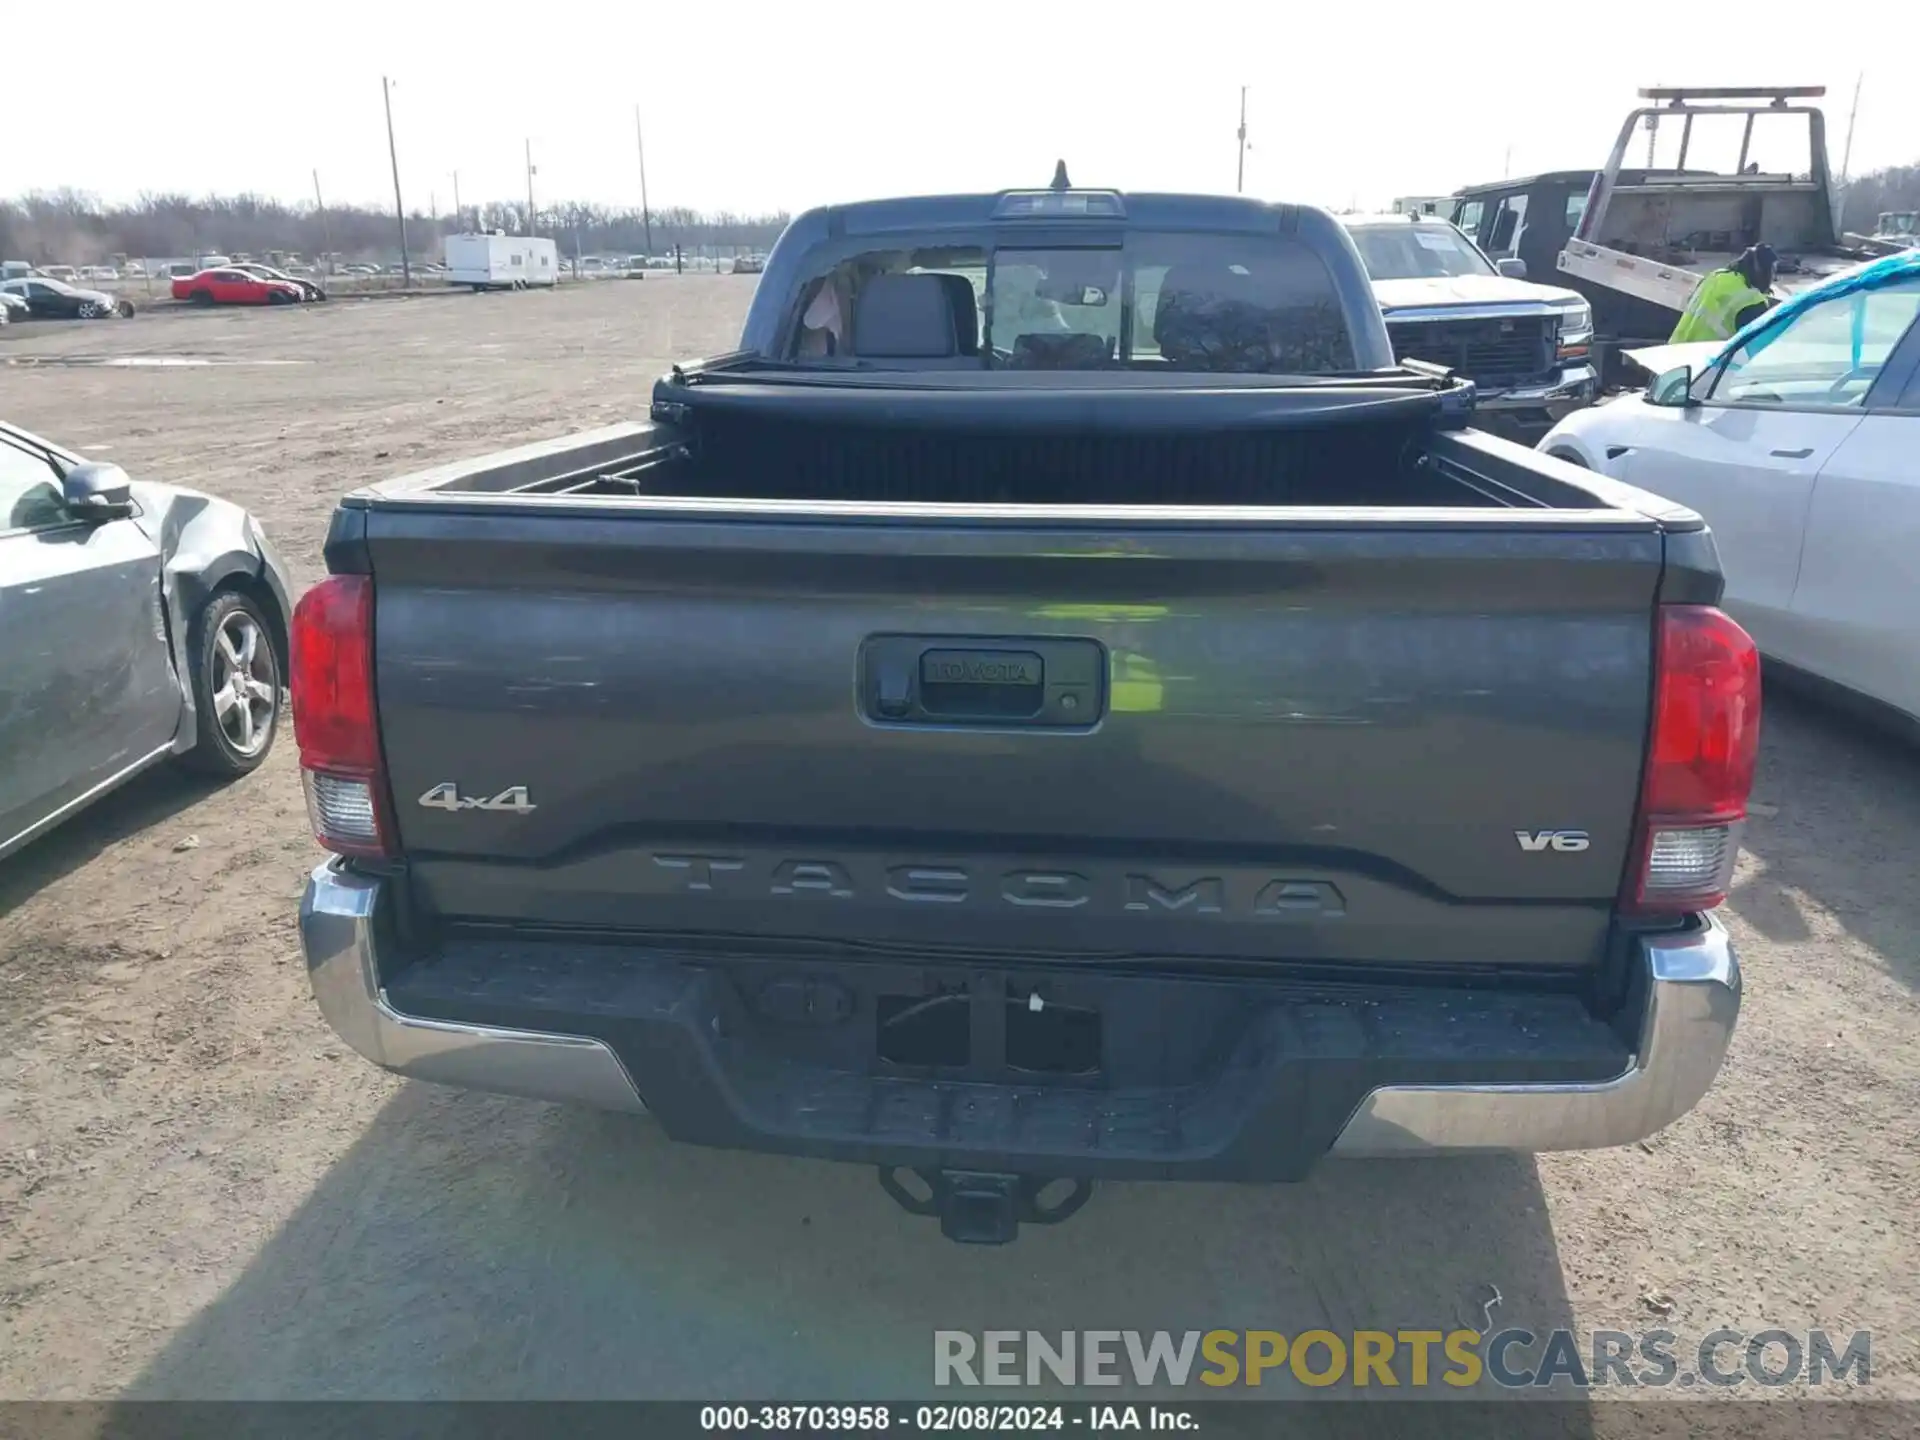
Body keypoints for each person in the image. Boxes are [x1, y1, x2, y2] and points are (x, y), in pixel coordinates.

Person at [1670, 244, 1778, 342]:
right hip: (1706, 357)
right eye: (1772, 272)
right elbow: (1757, 343)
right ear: (1762, 272)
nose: (1773, 278)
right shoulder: (1751, 300)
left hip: (1676, 349)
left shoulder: (1716, 276)